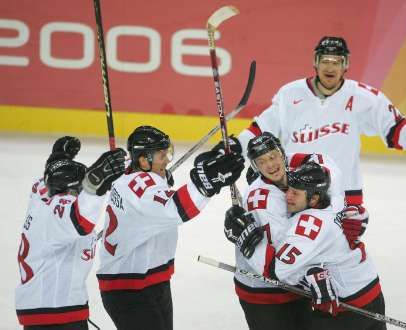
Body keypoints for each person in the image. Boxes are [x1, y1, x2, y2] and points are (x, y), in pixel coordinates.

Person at [234, 35, 406, 245]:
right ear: (316, 62)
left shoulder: (362, 96)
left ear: (345, 65)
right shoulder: (290, 94)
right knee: (289, 246)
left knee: (338, 249)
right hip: (296, 190)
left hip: (344, 193)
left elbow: (394, 125)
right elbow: (260, 130)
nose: (329, 67)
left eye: (336, 62)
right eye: (325, 61)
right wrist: (235, 147)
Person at [96, 125, 245, 330]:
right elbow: (174, 209)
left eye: (167, 153)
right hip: (129, 288)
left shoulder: (131, 176)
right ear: (143, 160)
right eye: (161, 156)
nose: (167, 160)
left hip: (150, 279)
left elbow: (153, 194)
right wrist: (208, 181)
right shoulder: (138, 189)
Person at [225, 162, 386, 330]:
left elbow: (276, 270)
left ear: (314, 198)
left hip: (345, 309)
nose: (287, 196)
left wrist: (245, 237)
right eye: (288, 189)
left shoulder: (309, 225)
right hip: (373, 292)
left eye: (295, 193)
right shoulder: (337, 203)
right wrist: (311, 274)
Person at [224, 132, 345, 330]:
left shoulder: (295, 171)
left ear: (282, 153)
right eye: (262, 162)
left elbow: (321, 162)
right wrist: (311, 277)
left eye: (272, 156)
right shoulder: (261, 200)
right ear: (255, 166)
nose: (270, 165)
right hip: (263, 291)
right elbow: (280, 262)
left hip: (293, 288)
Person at [15, 136, 126, 329]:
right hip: (57, 314)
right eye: (80, 189)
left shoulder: (42, 194)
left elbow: (48, 178)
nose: (82, 193)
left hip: (47, 310)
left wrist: (58, 159)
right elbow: (81, 221)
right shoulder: (58, 210)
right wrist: (95, 183)